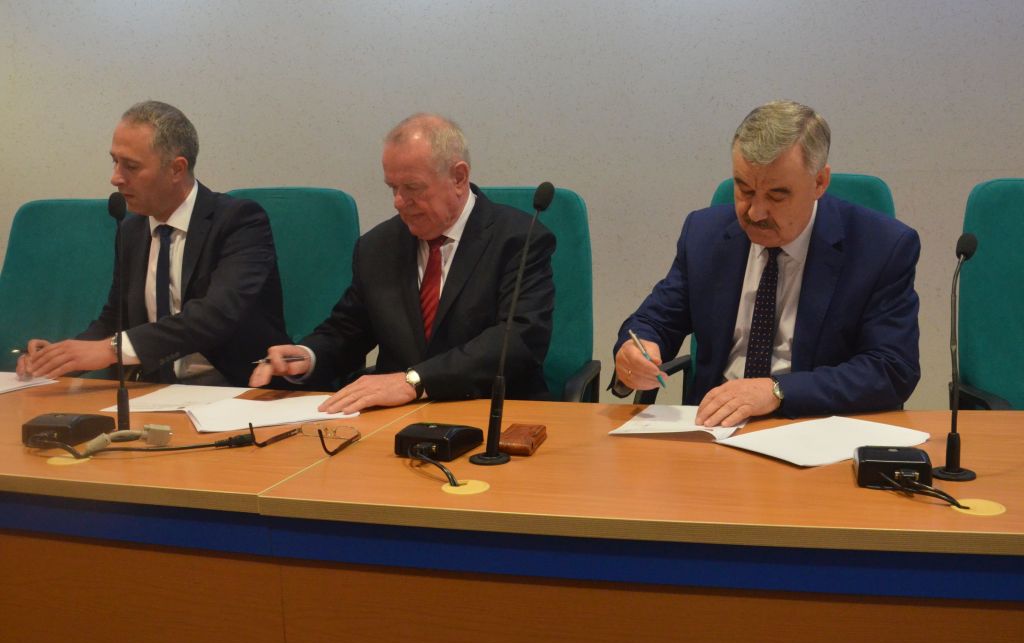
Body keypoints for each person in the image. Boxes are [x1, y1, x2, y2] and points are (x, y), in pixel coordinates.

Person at [612, 100, 920, 426]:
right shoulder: (705, 234)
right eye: (744, 190)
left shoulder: (882, 247)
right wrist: (635, 351)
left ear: (819, 182)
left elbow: (891, 367)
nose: (755, 213)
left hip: (814, 425)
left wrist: (777, 391)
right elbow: (656, 320)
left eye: (776, 196)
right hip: (714, 427)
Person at [250, 113, 555, 413]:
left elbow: (519, 339)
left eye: (412, 187)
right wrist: (307, 356)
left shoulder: (518, 239)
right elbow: (348, 331)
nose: (398, 201)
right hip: (397, 420)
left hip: (495, 412)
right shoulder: (377, 246)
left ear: (459, 178)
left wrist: (416, 381)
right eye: (393, 188)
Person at [16, 100, 288, 386]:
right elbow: (116, 319)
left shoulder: (240, 221)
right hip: (153, 390)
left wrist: (110, 350)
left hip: (237, 389)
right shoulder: (132, 229)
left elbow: (214, 316)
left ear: (176, 169)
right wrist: (60, 357)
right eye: (114, 161)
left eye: (131, 166)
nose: (115, 178)